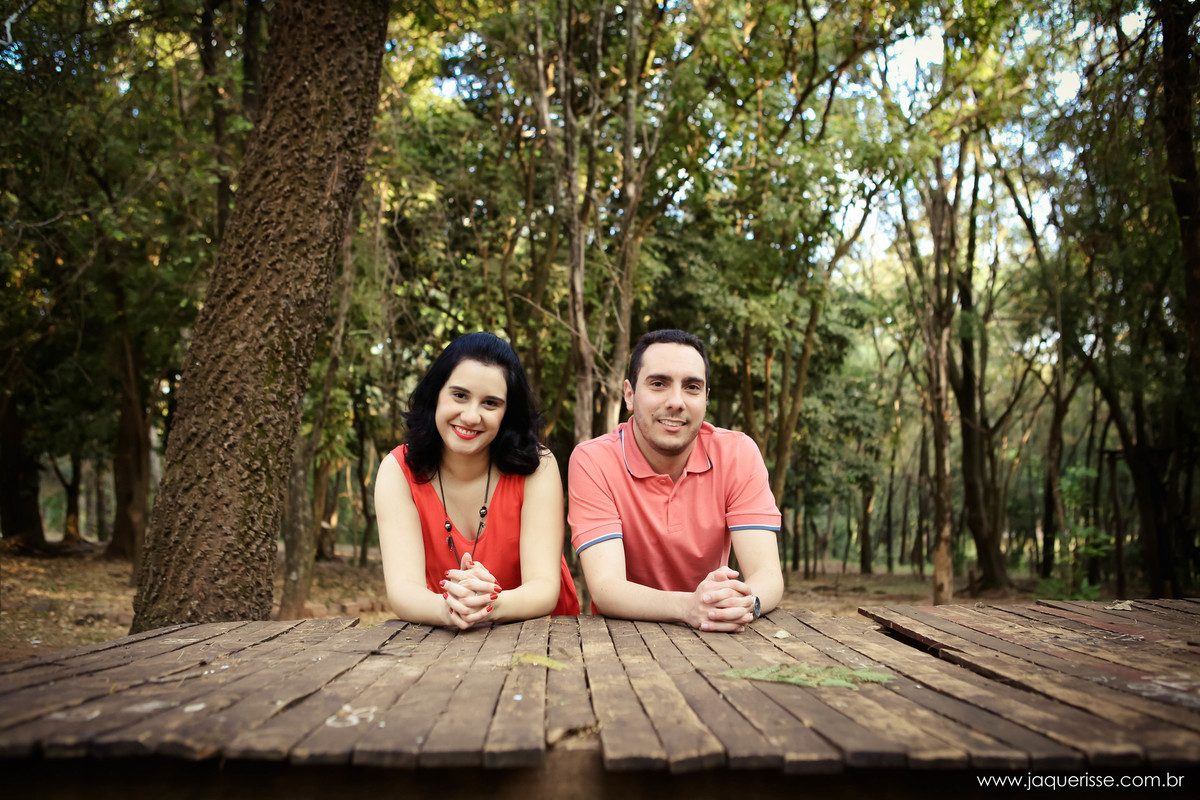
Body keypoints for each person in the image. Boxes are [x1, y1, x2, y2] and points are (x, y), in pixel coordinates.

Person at [568, 329, 783, 632]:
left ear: (706, 399)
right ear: (629, 394)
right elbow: (606, 588)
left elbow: (768, 574)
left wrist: (745, 603)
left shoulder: (738, 453)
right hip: (621, 639)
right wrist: (689, 607)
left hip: (718, 637)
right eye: (658, 384)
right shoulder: (593, 460)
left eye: (692, 387)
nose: (676, 401)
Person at [376, 332, 579, 628]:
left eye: (490, 403)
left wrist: (488, 604)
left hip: (546, 638)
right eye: (459, 395)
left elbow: (544, 588)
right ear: (436, 395)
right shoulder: (398, 471)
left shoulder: (538, 466)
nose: (471, 416)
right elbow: (402, 588)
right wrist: (450, 608)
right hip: (445, 642)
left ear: (507, 412)